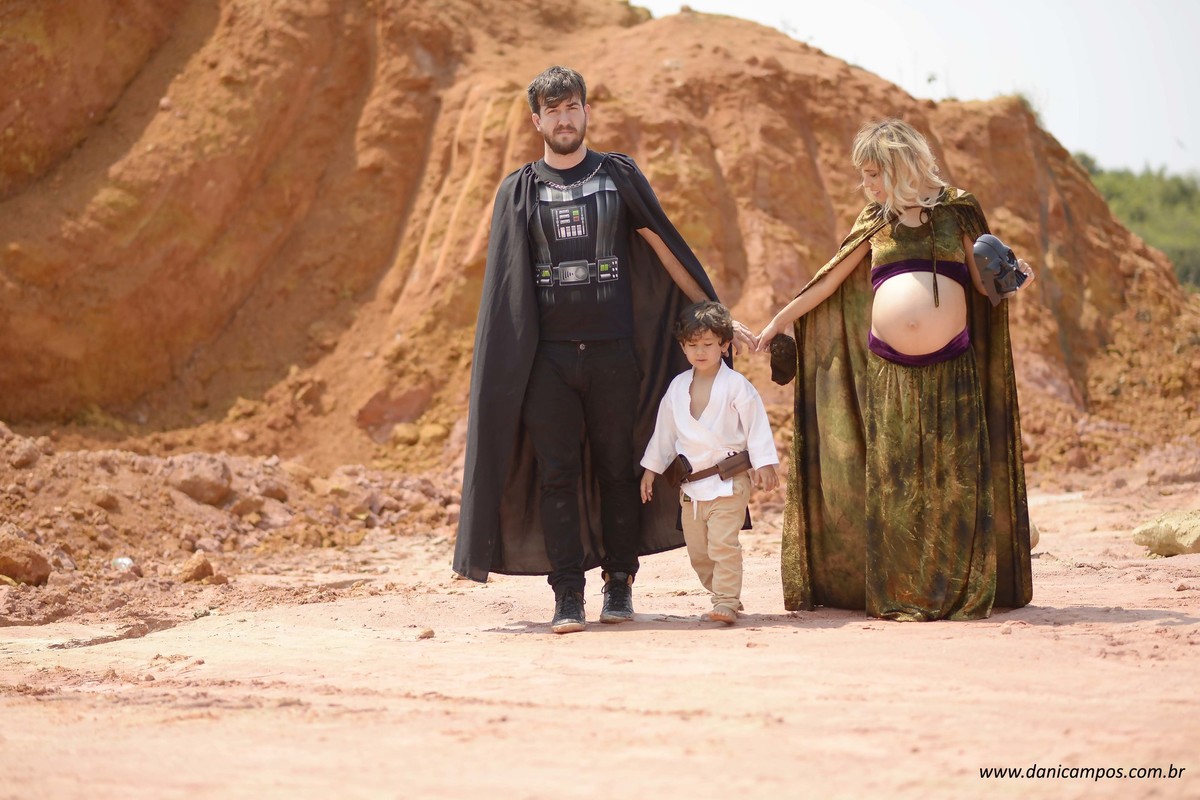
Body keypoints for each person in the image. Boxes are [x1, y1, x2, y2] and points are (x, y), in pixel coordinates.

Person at [452, 66, 755, 634]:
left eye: (573, 108)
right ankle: (568, 594)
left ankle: (619, 584)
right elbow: (502, 290)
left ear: (586, 112)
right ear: (537, 119)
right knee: (557, 475)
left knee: (620, 470)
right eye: (553, 110)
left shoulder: (617, 177)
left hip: (616, 354)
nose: (564, 119)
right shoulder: (518, 189)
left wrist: (717, 314)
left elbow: (664, 246)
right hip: (548, 362)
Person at [757, 119, 1035, 621]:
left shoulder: (959, 210)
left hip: (954, 368)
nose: (866, 186)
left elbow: (984, 285)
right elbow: (829, 279)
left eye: (872, 174)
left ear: (899, 166)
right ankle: (901, 593)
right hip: (891, 374)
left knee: (955, 481)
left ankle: (957, 593)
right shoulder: (876, 221)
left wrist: (1010, 277)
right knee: (897, 485)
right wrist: (781, 318)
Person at [640, 301, 779, 625]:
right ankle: (723, 591)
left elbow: (756, 425)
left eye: (708, 344)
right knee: (699, 553)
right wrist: (650, 470)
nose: (700, 351)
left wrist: (764, 463)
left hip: (729, 480)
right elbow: (664, 434)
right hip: (691, 486)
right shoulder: (676, 388)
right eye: (693, 345)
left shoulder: (736, 386)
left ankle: (726, 601)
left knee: (722, 544)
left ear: (725, 345)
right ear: (683, 347)